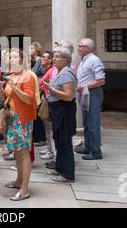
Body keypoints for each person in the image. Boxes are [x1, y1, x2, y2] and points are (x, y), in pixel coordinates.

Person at [0, 48, 36, 201]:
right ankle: (19, 181)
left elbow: (29, 99)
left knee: (24, 152)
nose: (10, 60)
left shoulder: (28, 76)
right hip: (12, 118)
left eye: (13, 57)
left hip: (22, 119)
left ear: (21, 60)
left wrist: (13, 87)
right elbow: (7, 97)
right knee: (17, 152)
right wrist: (2, 89)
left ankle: (25, 190)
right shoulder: (12, 76)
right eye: (8, 57)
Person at [44, 47, 77, 182]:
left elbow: (69, 96)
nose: (54, 59)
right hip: (58, 110)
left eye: (57, 56)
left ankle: (67, 174)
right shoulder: (60, 72)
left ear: (65, 60)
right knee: (58, 139)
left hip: (64, 110)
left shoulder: (66, 73)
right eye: (54, 56)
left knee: (64, 141)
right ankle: (60, 168)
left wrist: (51, 89)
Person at [75, 38, 105, 160]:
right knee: (86, 123)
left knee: (93, 124)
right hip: (86, 94)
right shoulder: (84, 60)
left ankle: (96, 151)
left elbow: (101, 80)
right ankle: (88, 146)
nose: (78, 48)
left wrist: (84, 86)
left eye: (81, 46)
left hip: (93, 94)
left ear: (88, 48)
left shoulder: (94, 60)